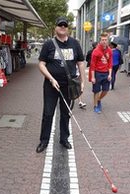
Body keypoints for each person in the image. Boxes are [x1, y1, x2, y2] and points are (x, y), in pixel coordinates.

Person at [36, 16, 85, 153]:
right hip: (51, 85)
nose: (62, 27)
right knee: (48, 113)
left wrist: (82, 82)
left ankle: (64, 139)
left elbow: (80, 63)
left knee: (66, 113)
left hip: (68, 85)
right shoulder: (48, 44)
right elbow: (41, 64)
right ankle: (44, 141)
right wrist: (51, 78)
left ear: (68, 28)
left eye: (65, 25)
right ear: (55, 28)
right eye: (60, 25)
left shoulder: (75, 43)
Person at [90, 32, 112, 113]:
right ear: (100, 40)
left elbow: (110, 63)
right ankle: (95, 106)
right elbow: (92, 65)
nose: (104, 41)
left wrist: (110, 74)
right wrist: (93, 77)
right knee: (96, 91)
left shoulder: (109, 50)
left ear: (108, 40)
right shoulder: (96, 51)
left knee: (106, 90)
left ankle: (98, 100)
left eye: (106, 40)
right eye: (103, 40)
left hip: (106, 73)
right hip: (97, 73)